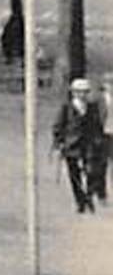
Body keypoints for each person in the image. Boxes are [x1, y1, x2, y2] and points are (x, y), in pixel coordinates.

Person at [53, 78, 107, 214]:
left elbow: (97, 126)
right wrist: (59, 142)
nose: (82, 95)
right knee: (74, 175)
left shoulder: (92, 107)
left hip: (89, 145)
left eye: (84, 92)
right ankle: (80, 201)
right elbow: (58, 126)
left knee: (92, 171)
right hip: (72, 146)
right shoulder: (66, 108)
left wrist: (98, 140)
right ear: (73, 93)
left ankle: (89, 195)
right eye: (79, 92)